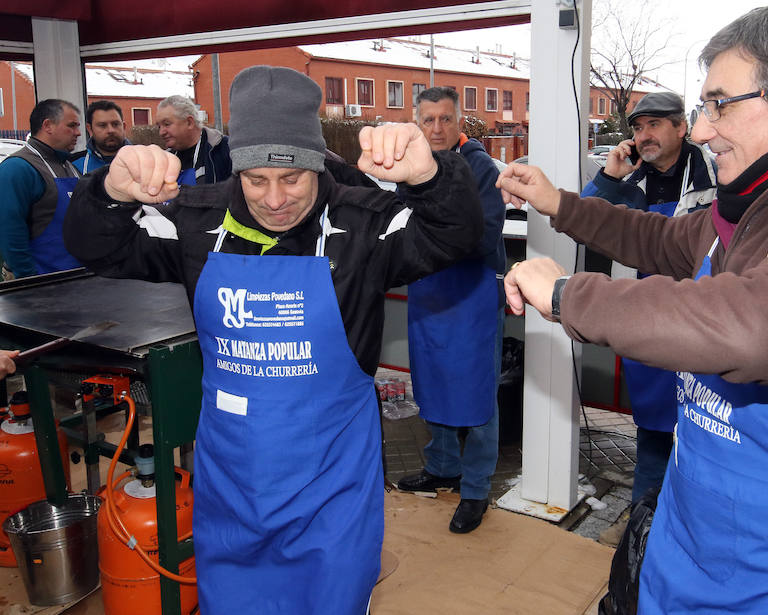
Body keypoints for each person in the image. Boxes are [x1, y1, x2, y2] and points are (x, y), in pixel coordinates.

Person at [496, 3, 768, 613]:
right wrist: (559, 202)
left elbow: (752, 326)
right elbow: (654, 239)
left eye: (719, 104)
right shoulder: (737, 212)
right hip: (695, 538)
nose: (704, 129)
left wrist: (565, 294)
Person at [65, 65, 482, 614]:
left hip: (333, 475)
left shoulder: (364, 227)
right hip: (233, 475)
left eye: (292, 179)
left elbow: (457, 234)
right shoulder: (197, 223)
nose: (275, 198)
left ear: (318, 166)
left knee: (331, 598)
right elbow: (98, 247)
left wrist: (429, 180)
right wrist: (109, 194)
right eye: (256, 180)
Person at [582, 92, 717, 504]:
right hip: (648, 324)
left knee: (704, 441)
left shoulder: (717, 176)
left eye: (654, 124)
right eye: (638, 128)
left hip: (702, 326)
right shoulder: (629, 182)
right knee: (654, 441)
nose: (644, 135)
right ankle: (643, 530)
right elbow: (584, 218)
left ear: (682, 127)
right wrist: (609, 176)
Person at [396, 86, 506, 534]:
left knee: (477, 395)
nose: (437, 128)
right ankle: (442, 466)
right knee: (432, 382)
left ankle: (476, 489)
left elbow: (486, 231)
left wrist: (434, 239)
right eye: (428, 120)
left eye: (445, 119)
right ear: (417, 122)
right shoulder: (410, 167)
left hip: (471, 292)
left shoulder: (480, 167)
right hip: (428, 290)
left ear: (459, 122)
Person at [0, 99, 83, 280]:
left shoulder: (70, 166)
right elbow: (10, 231)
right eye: (72, 126)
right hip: (41, 284)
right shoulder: (17, 169)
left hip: (75, 278)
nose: (78, 133)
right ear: (48, 126)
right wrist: (29, 280)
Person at [155, 95, 230, 185]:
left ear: (189, 122)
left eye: (167, 124)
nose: (161, 132)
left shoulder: (225, 150)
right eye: (159, 126)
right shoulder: (164, 160)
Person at [70, 100, 130, 174]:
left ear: (123, 127)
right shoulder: (74, 166)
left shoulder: (143, 160)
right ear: (90, 129)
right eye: (102, 125)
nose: (110, 130)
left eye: (115, 124)